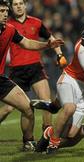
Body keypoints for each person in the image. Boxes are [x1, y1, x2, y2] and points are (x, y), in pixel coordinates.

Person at [31, 12, 84, 154]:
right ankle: (53, 143)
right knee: (69, 108)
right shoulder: (82, 46)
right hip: (70, 80)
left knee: (71, 134)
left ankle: (49, 131)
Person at [0, 0, 63, 151]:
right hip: (17, 70)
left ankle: (31, 141)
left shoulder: (10, 29)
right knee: (7, 109)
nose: (4, 14)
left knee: (29, 107)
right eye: (1, 11)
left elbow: (27, 43)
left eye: (5, 11)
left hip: (9, 76)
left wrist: (48, 46)